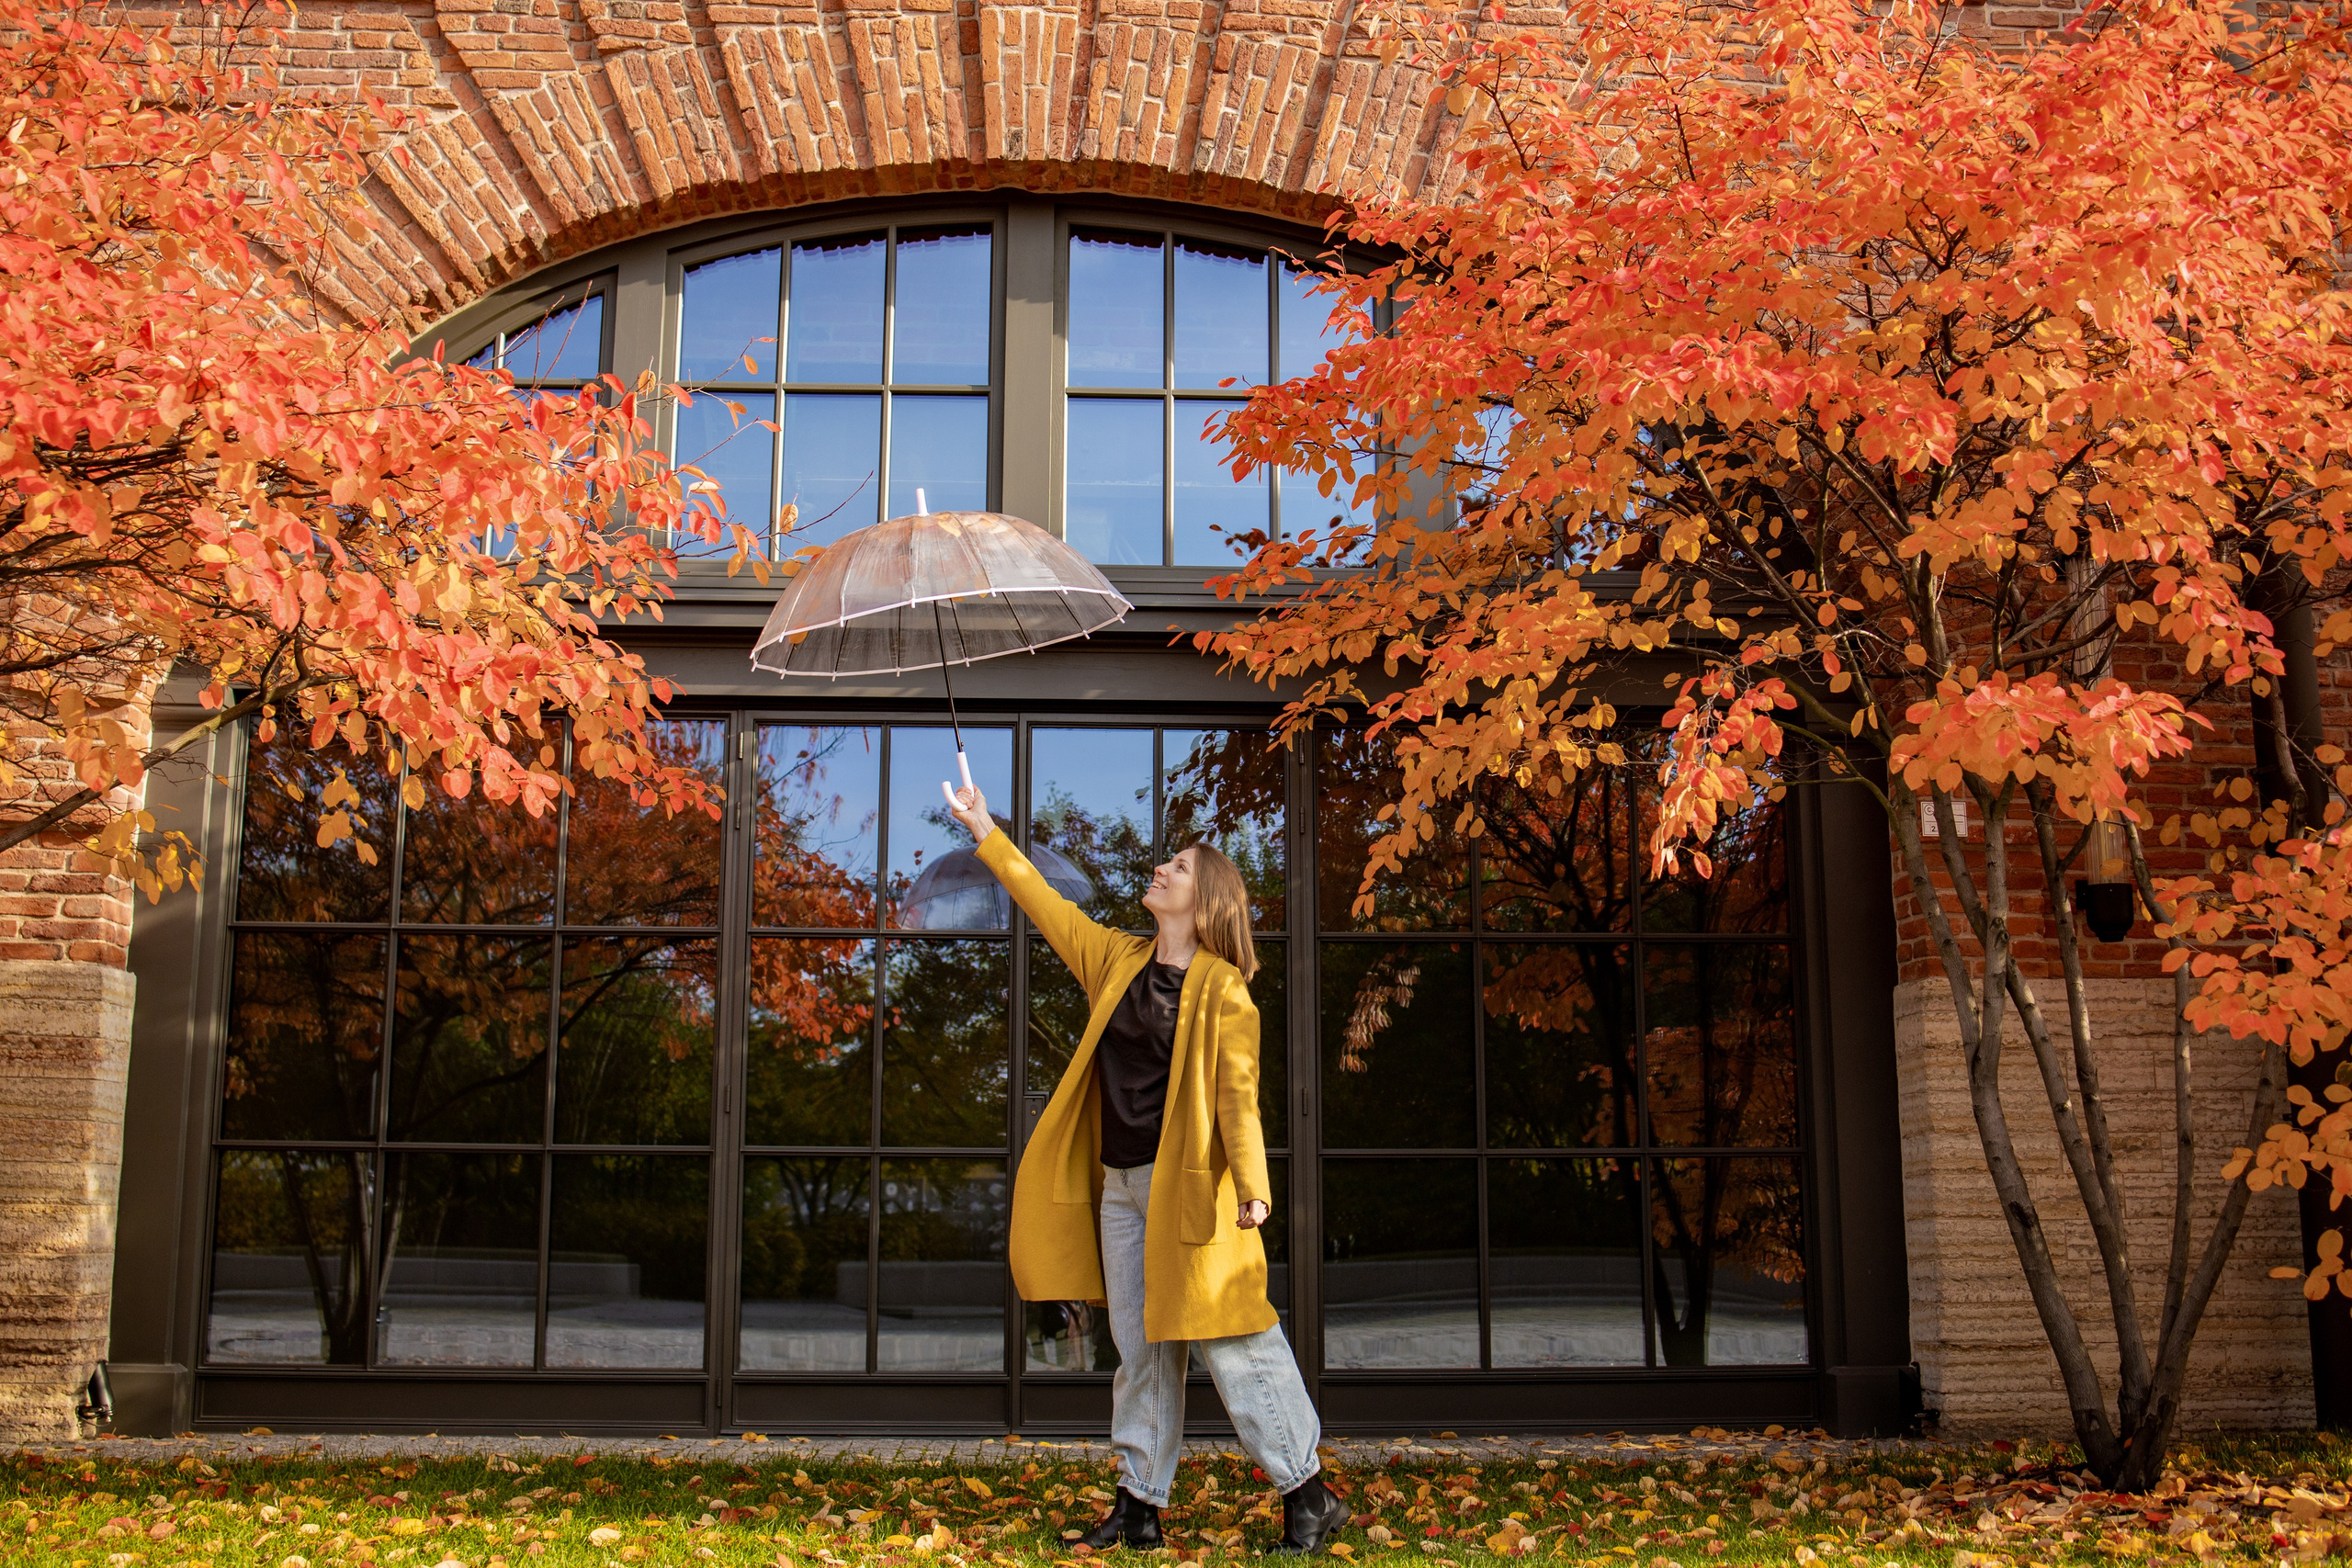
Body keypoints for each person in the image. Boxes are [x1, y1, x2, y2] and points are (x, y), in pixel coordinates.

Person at [944, 778, 1347, 1555]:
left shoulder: (1226, 991)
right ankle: (1139, 1507)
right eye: (1165, 863)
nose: (1161, 869)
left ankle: (1308, 1491)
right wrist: (984, 828)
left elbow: (1240, 1096)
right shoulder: (1118, 960)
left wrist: (1255, 1189)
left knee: (1235, 1344)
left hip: (1193, 1194)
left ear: (1207, 899)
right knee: (1141, 1353)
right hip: (1121, 1191)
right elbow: (1048, 906)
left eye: (1179, 867)